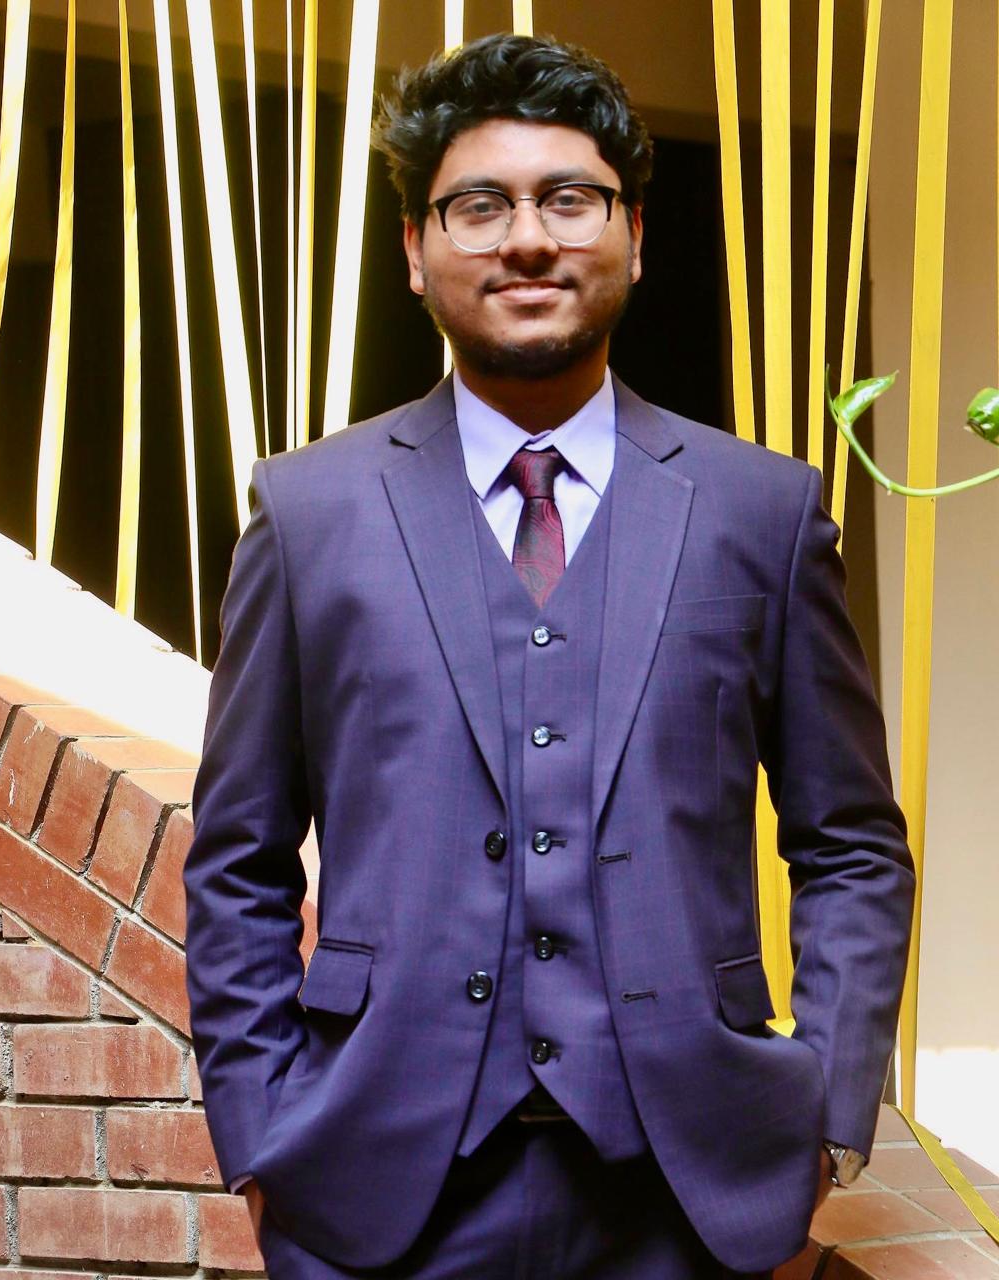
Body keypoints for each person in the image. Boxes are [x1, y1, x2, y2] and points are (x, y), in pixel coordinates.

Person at [183, 33, 914, 1279]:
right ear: (415, 250)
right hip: (376, 1193)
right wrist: (261, 1134)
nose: (527, 239)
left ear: (634, 234)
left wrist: (826, 1119)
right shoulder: (309, 513)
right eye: (479, 205)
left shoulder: (761, 511)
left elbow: (848, 841)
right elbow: (238, 858)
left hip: (691, 1196)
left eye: (569, 198)